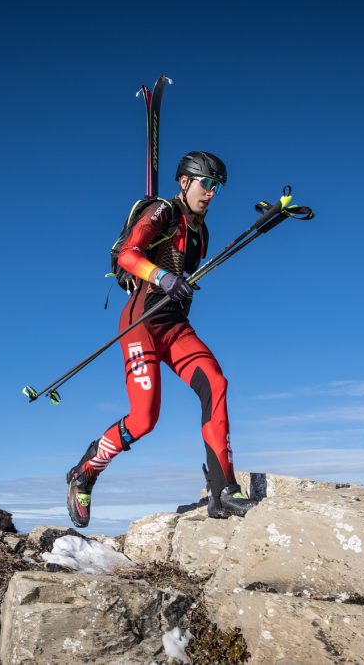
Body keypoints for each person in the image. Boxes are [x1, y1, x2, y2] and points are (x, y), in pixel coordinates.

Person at [66, 152, 258, 527]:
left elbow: (184, 270)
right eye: (207, 183)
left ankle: (224, 490)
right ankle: (85, 471)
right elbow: (127, 255)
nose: (212, 193)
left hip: (174, 324)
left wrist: (181, 284)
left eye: (218, 187)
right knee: (144, 417)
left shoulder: (201, 233)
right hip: (142, 319)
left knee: (215, 382)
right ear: (184, 182)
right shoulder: (161, 211)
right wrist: (164, 278)